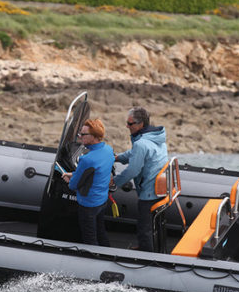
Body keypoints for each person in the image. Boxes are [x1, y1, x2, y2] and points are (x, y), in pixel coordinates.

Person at [112, 107, 168, 252]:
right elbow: (134, 153)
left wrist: (114, 182)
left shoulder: (141, 143)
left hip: (150, 191)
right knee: (152, 224)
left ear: (140, 124)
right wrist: (118, 158)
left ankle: (146, 254)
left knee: (144, 226)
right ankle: (149, 247)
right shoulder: (155, 137)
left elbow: (133, 170)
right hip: (161, 188)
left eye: (130, 124)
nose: (127, 126)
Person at [62, 119, 114, 247]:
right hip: (102, 201)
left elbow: (74, 185)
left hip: (88, 205)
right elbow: (97, 173)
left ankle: (94, 262)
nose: (80, 137)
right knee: (101, 232)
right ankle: (108, 253)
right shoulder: (108, 150)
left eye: (83, 134)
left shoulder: (86, 159)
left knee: (90, 238)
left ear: (95, 137)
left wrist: (69, 179)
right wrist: (74, 174)